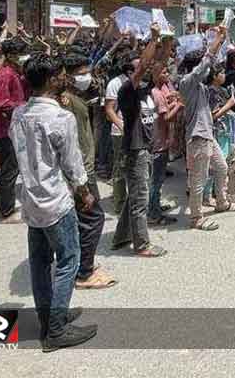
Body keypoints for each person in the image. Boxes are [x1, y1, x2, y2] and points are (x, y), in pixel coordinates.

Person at [10, 55, 97, 351]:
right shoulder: (61, 116)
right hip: (56, 199)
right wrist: (83, 191)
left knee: (39, 262)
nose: (65, 77)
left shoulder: (19, 113)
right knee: (68, 261)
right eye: (60, 74)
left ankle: (49, 316)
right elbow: (72, 163)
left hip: (32, 198)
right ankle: (56, 330)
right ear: (50, 80)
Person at [111, 23, 171, 257]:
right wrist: (153, 38)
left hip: (147, 148)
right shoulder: (127, 92)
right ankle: (142, 244)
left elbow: (157, 64)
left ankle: (120, 237)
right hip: (135, 150)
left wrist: (166, 41)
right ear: (130, 73)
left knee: (135, 195)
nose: (145, 72)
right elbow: (145, 64)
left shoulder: (146, 90)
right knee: (140, 198)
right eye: (139, 70)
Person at [60, 54, 116, 291]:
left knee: (82, 218)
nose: (87, 77)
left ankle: (81, 264)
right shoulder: (66, 100)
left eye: (87, 72)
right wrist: (78, 177)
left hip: (82, 166)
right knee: (93, 218)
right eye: (81, 73)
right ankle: (84, 272)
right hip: (81, 169)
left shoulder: (74, 97)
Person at [180, 27, 235, 231]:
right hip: (198, 137)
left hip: (208, 135)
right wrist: (218, 40)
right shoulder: (187, 82)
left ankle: (222, 202)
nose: (207, 71)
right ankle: (196, 217)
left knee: (222, 167)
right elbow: (207, 61)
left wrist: (221, 43)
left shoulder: (200, 86)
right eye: (201, 67)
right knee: (198, 179)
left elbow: (211, 63)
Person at [0, 39, 29, 224]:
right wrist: (23, 106)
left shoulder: (16, 72)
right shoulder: (5, 74)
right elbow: (0, 102)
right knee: (9, 169)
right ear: (11, 55)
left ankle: (4, 207)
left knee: (12, 168)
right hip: (8, 129)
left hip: (16, 127)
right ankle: (5, 211)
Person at [149, 61, 181, 226]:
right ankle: (153, 213)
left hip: (164, 140)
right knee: (156, 180)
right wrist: (179, 106)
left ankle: (155, 205)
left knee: (159, 180)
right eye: (163, 72)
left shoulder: (162, 90)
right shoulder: (157, 94)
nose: (167, 75)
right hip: (159, 142)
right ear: (154, 75)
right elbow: (166, 117)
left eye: (167, 72)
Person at [105, 53, 132, 214]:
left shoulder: (141, 81)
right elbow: (109, 109)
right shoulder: (115, 84)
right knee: (120, 167)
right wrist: (120, 124)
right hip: (120, 133)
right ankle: (120, 202)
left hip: (139, 131)